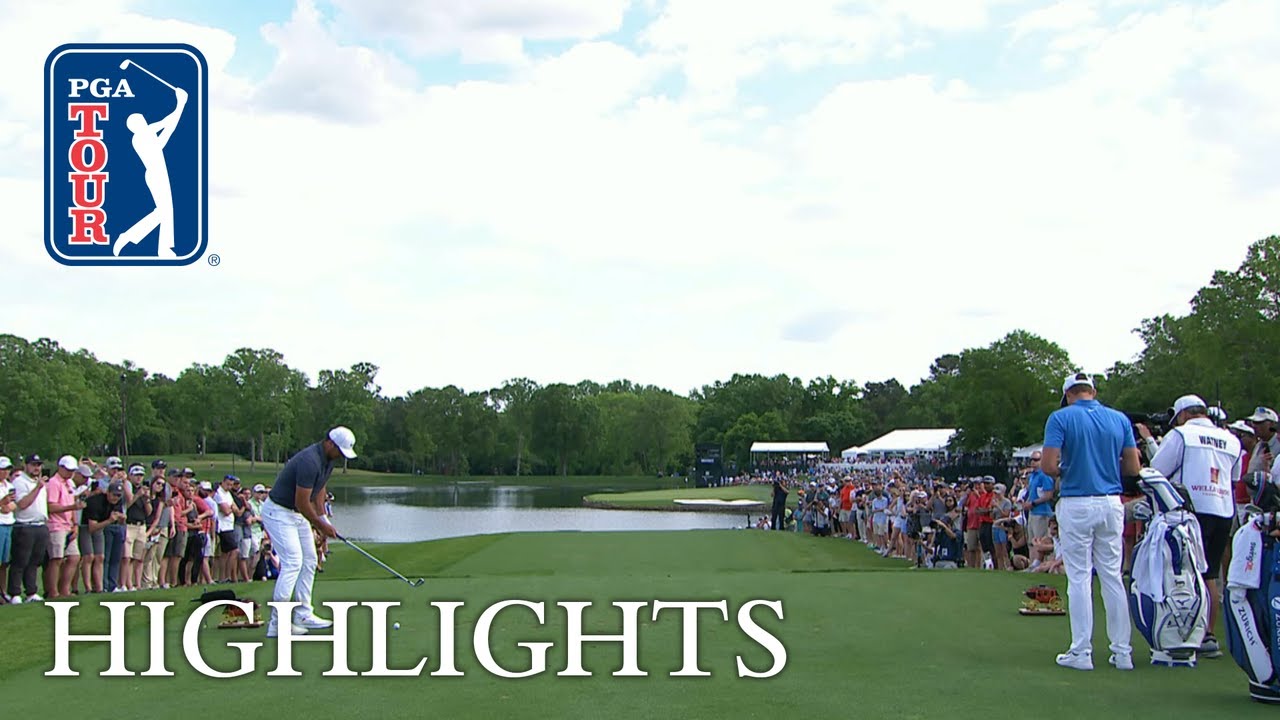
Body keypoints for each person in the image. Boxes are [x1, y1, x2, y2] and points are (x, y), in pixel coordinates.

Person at [1041, 372, 1141, 671]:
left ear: (1069, 394)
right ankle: (1122, 652)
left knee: (1080, 577)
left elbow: (1048, 465)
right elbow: (1133, 466)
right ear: (1092, 391)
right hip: (1111, 502)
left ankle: (1081, 651)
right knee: (1112, 577)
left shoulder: (1060, 418)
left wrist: (1066, 470)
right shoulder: (1119, 419)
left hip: (1077, 500)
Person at [1149, 394, 1241, 660]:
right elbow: (1232, 477)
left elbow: (1158, 469)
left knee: (1182, 570)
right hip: (1223, 508)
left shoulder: (1181, 435)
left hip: (1190, 510)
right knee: (1210, 573)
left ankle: (1182, 630)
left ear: (1183, 415)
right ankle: (1208, 633)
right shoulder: (1231, 439)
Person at [260, 426, 356, 637]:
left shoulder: (328, 460)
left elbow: (319, 489)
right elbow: (302, 501)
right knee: (293, 561)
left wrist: (322, 518)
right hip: (278, 511)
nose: (341, 456)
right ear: (329, 443)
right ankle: (277, 624)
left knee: (310, 559)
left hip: (295, 513)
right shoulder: (309, 461)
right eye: (339, 451)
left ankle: (303, 614)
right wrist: (321, 526)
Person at [9, 455, 51, 603]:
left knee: (34, 561)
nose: (36, 468)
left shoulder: (39, 482)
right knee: (20, 561)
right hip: (25, 525)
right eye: (33, 465)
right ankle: (14, 593)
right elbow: (22, 504)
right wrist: (38, 488)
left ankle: (31, 591)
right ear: (26, 466)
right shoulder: (20, 482)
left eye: (38, 465)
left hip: (40, 525)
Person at [1022, 451, 1055, 541]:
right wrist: (1026, 503)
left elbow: (1049, 495)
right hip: (1032, 513)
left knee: (1040, 542)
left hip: (1042, 513)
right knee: (1031, 542)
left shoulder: (1044, 475)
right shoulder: (1032, 476)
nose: (1033, 462)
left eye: (1036, 460)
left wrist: (1033, 503)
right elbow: (1032, 493)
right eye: (1031, 460)